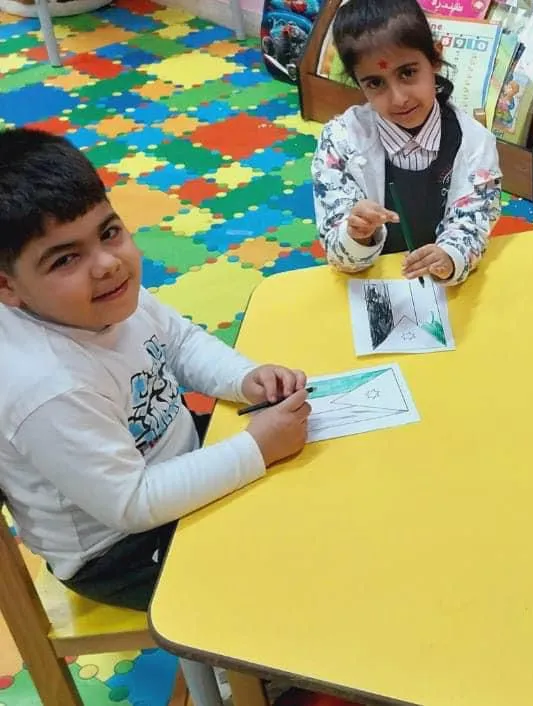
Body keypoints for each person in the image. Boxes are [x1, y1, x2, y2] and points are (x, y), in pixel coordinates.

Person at [0, 128, 311, 611]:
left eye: (109, 232)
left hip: (177, 458)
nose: (107, 264)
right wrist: (256, 448)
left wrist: (244, 378)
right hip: (120, 549)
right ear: (7, 287)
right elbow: (131, 503)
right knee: (287, 573)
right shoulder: (45, 387)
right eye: (65, 259)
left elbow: (180, 342)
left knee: (315, 483)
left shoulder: (103, 295)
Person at [312, 0, 501, 285]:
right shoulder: (340, 142)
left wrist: (450, 257)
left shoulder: (474, 143)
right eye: (375, 83)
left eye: (408, 73)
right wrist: (355, 235)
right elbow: (338, 253)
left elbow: (473, 222)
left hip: (445, 288)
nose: (399, 98)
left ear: (435, 59)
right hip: (372, 285)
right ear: (358, 82)